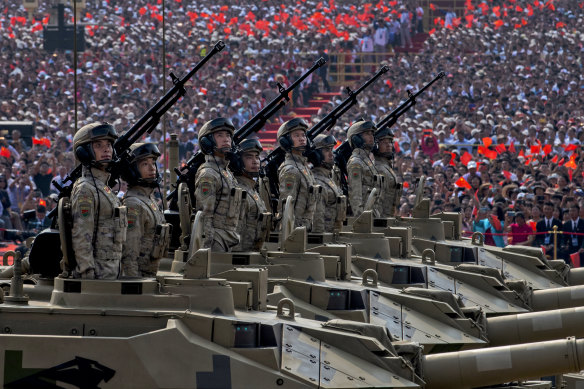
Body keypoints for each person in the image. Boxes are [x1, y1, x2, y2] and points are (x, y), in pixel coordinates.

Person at [70, 122, 126, 279]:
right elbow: (82, 237)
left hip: (110, 273)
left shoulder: (104, 188)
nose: (106, 149)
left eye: (109, 144)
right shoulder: (85, 190)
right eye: (98, 145)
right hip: (98, 279)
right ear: (84, 152)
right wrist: (87, 274)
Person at [121, 143, 170, 277]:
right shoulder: (133, 204)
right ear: (132, 170)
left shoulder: (149, 199)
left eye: (153, 163)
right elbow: (130, 252)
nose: (152, 168)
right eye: (144, 164)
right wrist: (134, 283)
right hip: (141, 276)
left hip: (151, 273)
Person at [194, 118, 242, 252]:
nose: (226, 139)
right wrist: (206, 250)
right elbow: (205, 216)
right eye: (219, 135)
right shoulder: (209, 174)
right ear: (207, 142)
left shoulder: (226, 172)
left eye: (228, 135)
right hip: (216, 241)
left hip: (228, 238)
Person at [277, 118, 319, 230]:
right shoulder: (290, 170)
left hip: (304, 228)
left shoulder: (303, 167)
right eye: (296, 136)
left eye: (303, 135)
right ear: (286, 141)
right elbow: (286, 208)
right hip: (294, 230)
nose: (302, 139)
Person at [232, 139, 270, 251]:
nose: (255, 161)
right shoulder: (239, 191)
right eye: (249, 157)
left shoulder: (252, 189)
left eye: (257, 157)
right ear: (238, 162)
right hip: (243, 259)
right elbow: (235, 235)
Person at [309, 134, 346, 233]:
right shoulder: (317, 182)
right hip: (325, 237)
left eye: (331, 150)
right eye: (326, 150)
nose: (331, 154)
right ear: (317, 155)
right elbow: (317, 219)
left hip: (333, 233)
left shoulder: (328, 177)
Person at [346, 120, 383, 217]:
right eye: (367, 134)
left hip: (372, 213)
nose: (371, 137)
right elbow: (355, 196)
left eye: (372, 134)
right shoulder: (356, 163)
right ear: (356, 139)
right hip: (365, 218)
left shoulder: (367, 161)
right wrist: (361, 220)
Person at [373, 127, 400, 217]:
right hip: (382, 217)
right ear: (376, 145)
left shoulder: (386, 166)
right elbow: (377, 200)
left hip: (389, 215)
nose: (388, 145)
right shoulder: (378, 168)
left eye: (390, 142)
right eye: (384, 142)